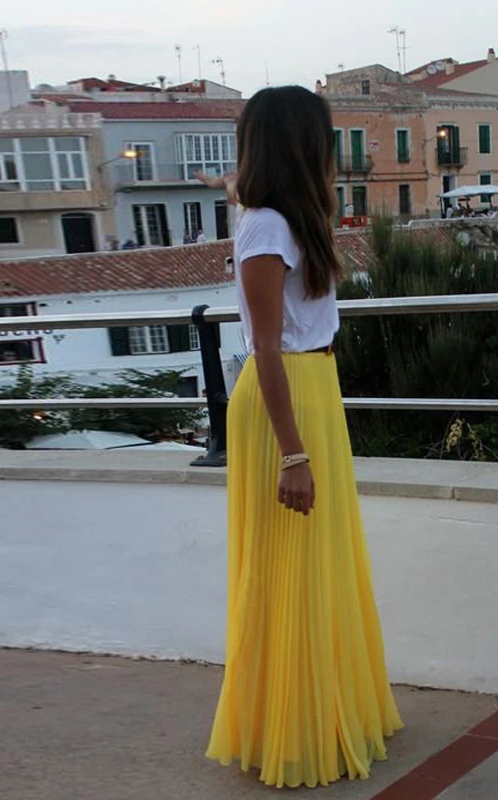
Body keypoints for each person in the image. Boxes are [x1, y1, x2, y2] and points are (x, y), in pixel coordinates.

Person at [197, 86, 403, 790]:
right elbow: (265, 348)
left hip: (315, 390)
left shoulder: (282, 215)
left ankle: (324, 703)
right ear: (300, 144)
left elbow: (238, 188)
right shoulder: (266, 229)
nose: (331, 150)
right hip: (285, 402)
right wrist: (293, 454)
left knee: (320, 558)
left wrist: (222, 182)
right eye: (323, 137)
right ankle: (296, 725)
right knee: (292, 564)